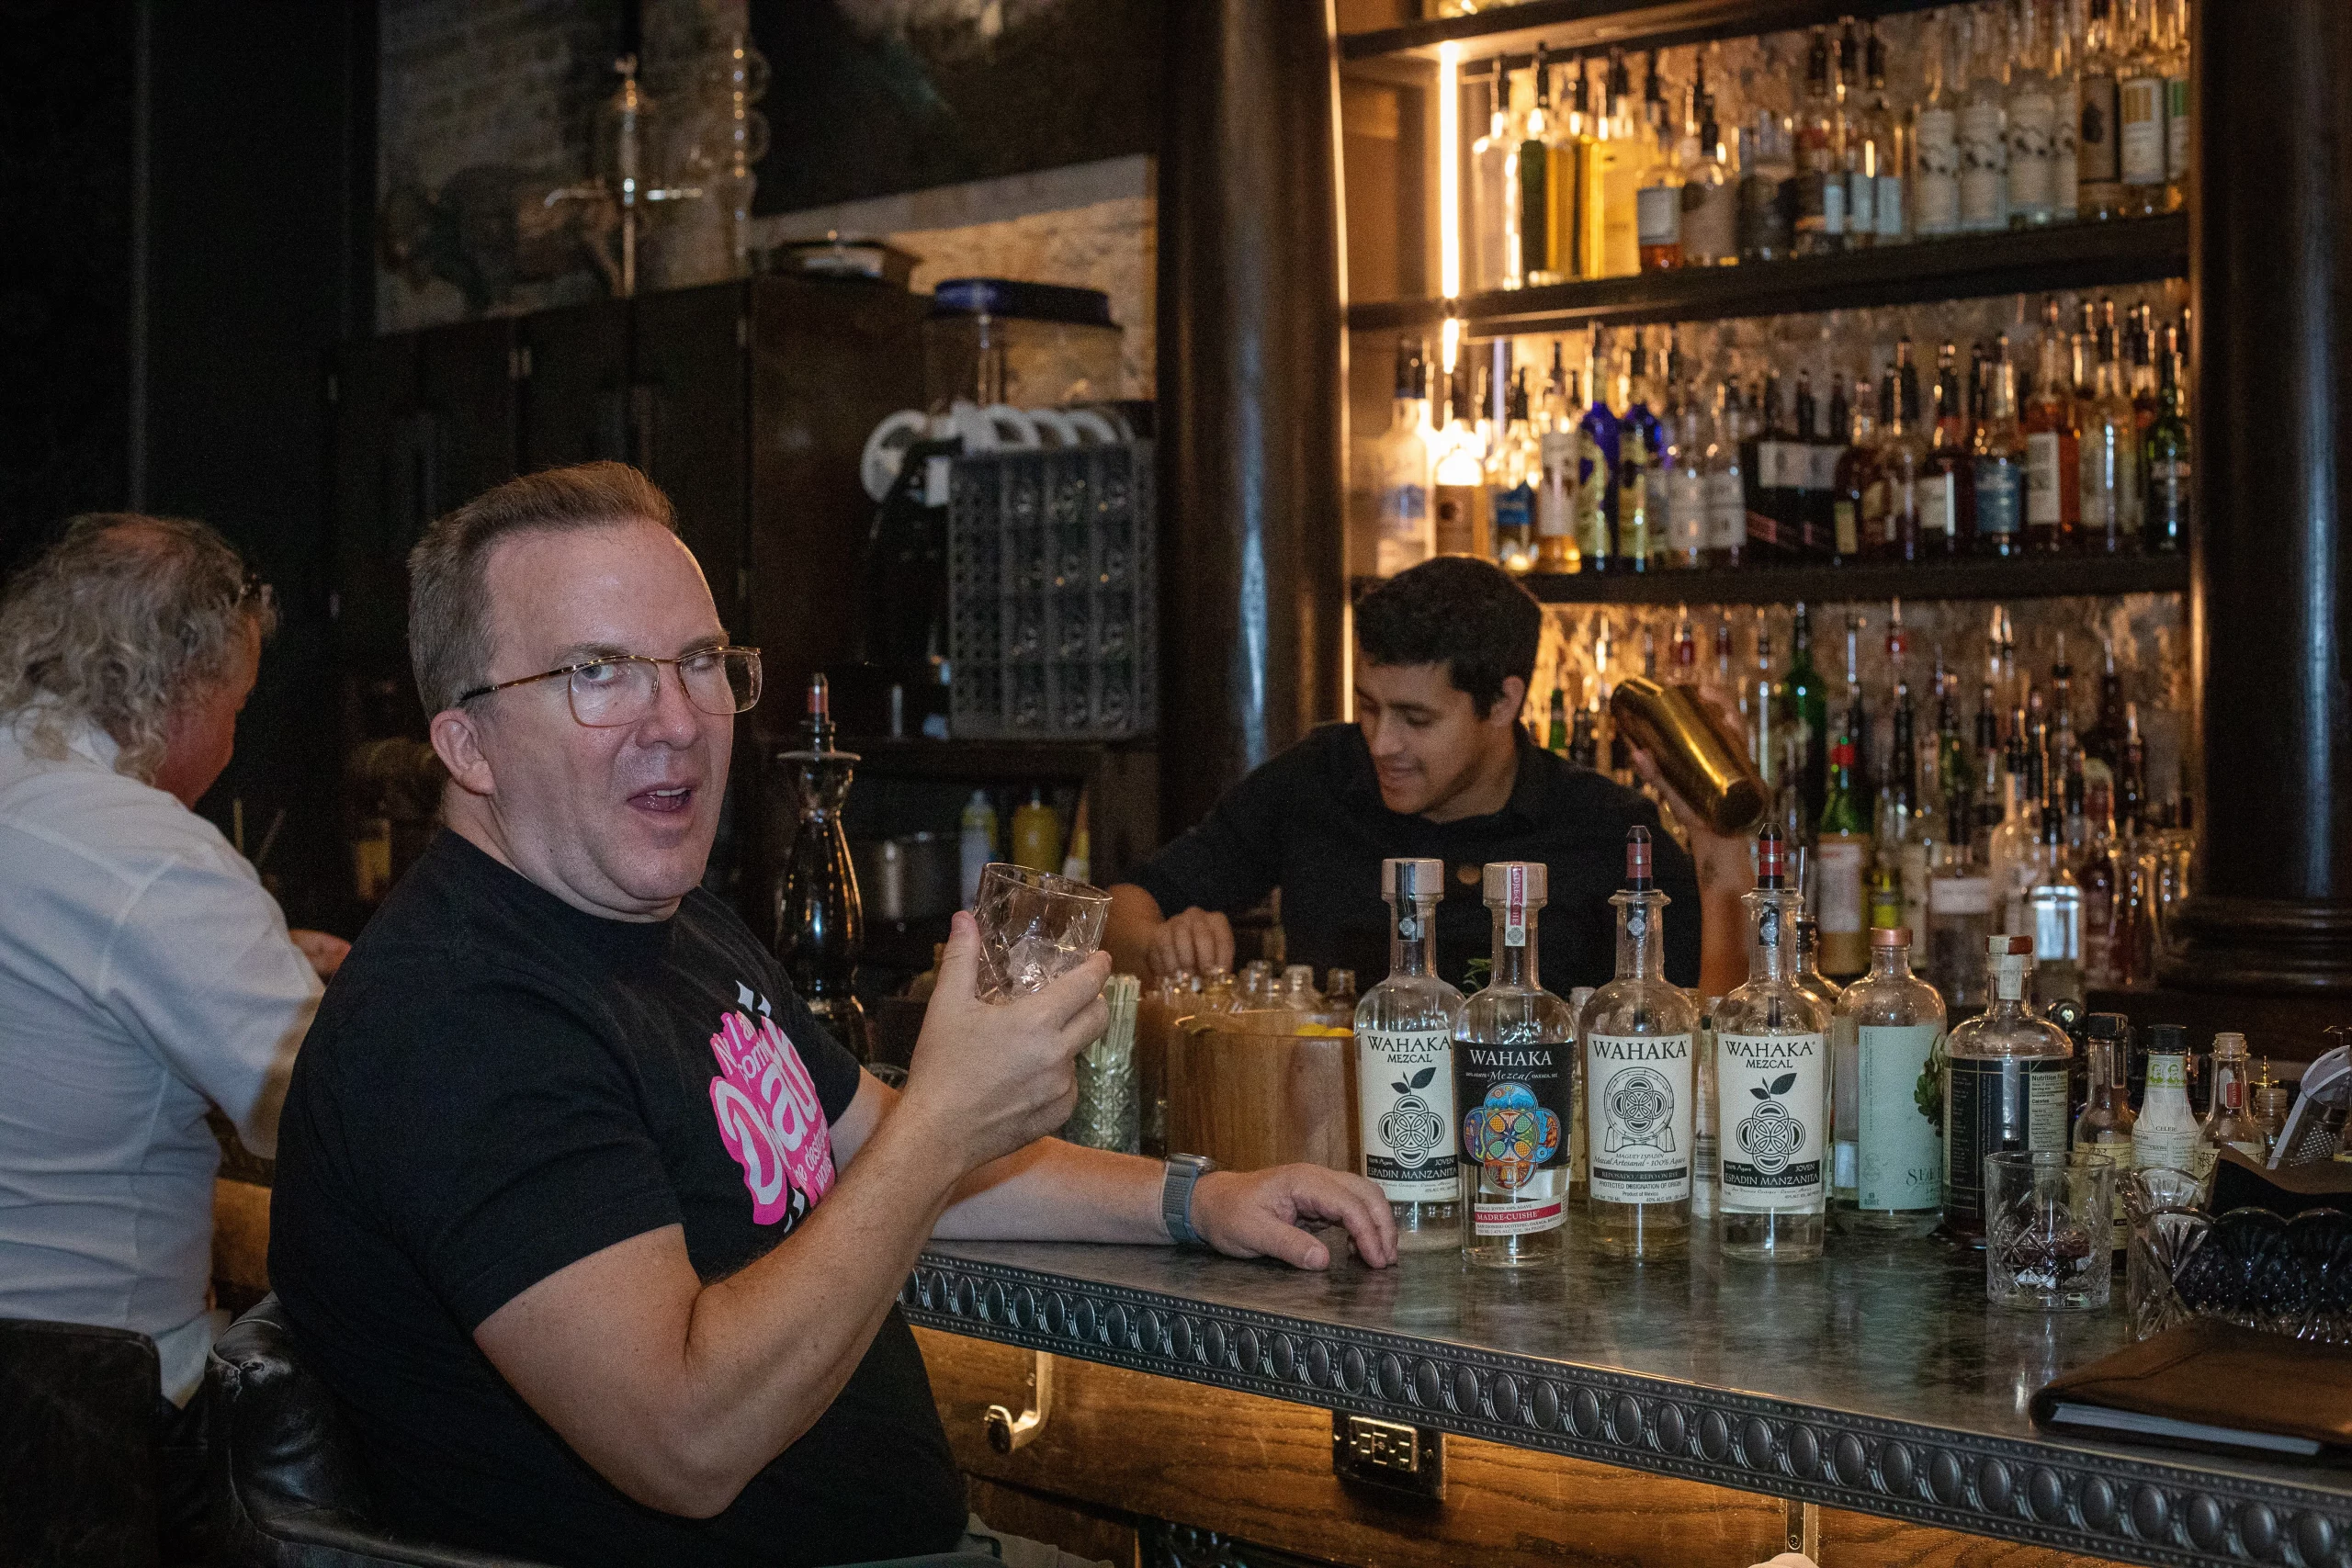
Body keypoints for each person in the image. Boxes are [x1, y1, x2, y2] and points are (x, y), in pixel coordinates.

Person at [267, 462, 1396, 1568]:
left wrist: (1199, 1198)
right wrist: (949, 1122)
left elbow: (866, 1136)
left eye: (702, 662)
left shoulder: (673, 924)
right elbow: (685, 1440)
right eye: (598, 672)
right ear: (466, 745)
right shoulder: (458, 1016)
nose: (677, 719)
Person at [0, 513, 348, 1554]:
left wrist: (259, 946)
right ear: (184, 691)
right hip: (78, 1423)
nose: (233, 742)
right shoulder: (150, 854)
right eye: (237, 706)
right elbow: (324, 1116)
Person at [1105, 557, 1754, 999]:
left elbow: (1716, 1024)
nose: (1382, 742)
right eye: (1368, 706)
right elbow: (1125, 906)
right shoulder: (1318, 778)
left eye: (1415, 718)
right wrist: (1162, 944)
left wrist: (1719, 842)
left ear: (1502, 702)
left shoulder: (1606, 828)